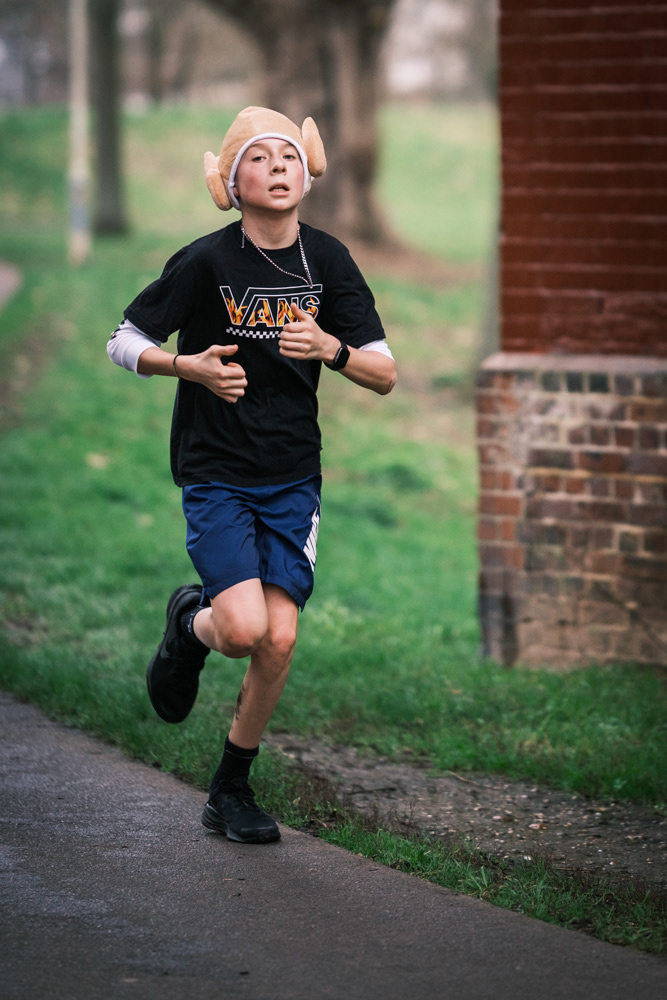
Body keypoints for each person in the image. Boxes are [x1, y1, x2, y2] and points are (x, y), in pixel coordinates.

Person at [107, 106, 397, 844]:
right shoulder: (206, 262)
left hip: (293, 476)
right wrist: (187, 366)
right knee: (240, 630)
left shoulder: (327, 260)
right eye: (259, 160)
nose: (277, 168)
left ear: (308, 173)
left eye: (288, 157)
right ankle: (190, 622)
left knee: (279, 639)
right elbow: (123, 339)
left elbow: (384, 371)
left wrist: (331, 348)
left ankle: (230, 788)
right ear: (232, 184)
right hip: (216, 469)